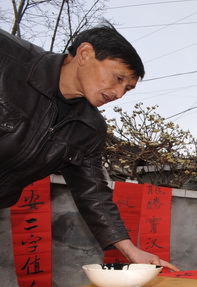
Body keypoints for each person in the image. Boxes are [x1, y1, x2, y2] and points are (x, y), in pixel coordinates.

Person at [0, 25, 178, 270]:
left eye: (127, 88)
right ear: (84, 54)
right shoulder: (8, 57)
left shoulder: (89, 129)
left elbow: (92, 192)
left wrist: (130, 250)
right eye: (118, 78)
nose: (118, 93)